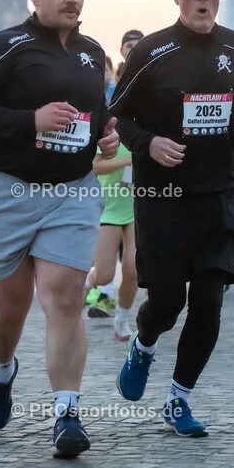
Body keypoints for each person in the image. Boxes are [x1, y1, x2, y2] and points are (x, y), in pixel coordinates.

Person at [0, 0, 119, 458]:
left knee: (66, 296)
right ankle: (2, 370)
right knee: (11, 306)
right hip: (5, 188)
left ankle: (66, 414)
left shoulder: (92, 53)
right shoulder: (7, 46)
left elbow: (97, 116)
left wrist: (104, 138)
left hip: (71, 191)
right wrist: (31, 120)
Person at [110, 0, 234, 436]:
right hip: (162, 199)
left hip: (219, 195)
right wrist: (150, 143)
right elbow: (118, 118)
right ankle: (144, 341)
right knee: (167, 302)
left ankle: (179, 399)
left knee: (209, 302)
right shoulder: (151, 52)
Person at [85, 29, 142, 324]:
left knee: (133, 269)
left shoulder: (149, 120)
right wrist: (131, 156)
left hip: (138, 202)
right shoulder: (108, 119)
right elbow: (93, 165)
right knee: (104, 273)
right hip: (108, 201)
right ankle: (88, 284)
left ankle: (122, 320)